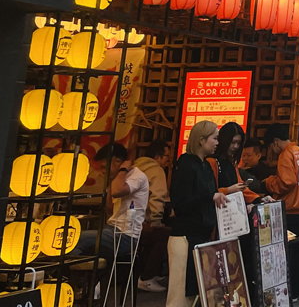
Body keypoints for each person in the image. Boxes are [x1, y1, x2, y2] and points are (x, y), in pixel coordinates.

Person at [167, 121, 226, 307]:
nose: (218, 142)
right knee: (180, 294)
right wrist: (209, 196)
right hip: (184, 237)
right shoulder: (186, 166)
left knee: (198, 294)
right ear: (201, 140)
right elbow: (181, 203)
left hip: (202, 235)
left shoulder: (206, 166)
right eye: (214, 138)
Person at [74, 143, 149, 263]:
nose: (102, 171)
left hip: (125, 236)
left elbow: (117, 191)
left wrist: (123, 170)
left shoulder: (136, 176)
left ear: (118, 162)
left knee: (75, 239)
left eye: (104, 167)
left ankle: (75, 277)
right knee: (74, 238)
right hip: (112, 230)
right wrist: (110, 180)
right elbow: (109, 209)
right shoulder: (118, 178)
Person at [134, 139, 173, 292]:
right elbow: (157, 197)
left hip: (127, 222)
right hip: (141, 222)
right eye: (166, 157)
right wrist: (156, 220)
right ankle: (147, 277)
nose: (167, 161)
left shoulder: (134, 167)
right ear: (157, 157)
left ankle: (146, 273)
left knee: (152, 238)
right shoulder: (156, 171)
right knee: (165, 234)